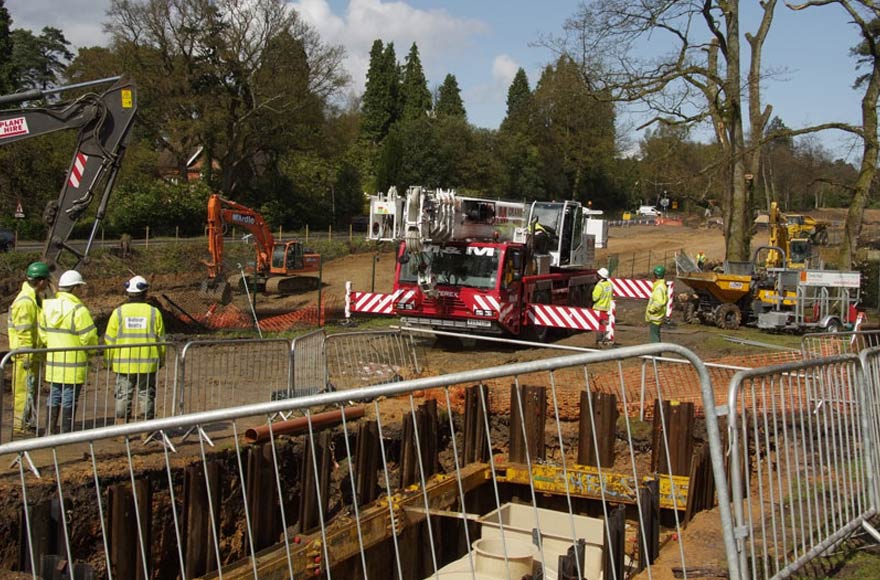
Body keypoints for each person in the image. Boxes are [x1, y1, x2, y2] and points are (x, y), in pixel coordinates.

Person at [38, 270, 98, 434]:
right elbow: (89, 336)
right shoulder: (78, 309)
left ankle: (49, 431)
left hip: (54, 361)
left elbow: (43, 333)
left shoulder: (48, 307)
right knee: (69, 396)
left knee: (55, 393)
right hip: (74, 362)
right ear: (75, 288)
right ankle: (66, 432)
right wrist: (92, 351)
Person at [104, 275, 166, 424]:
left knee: (123, 395)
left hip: (123, 364)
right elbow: (161, 341)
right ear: (145, 293)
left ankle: (121, 430)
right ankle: (146, 432)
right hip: (147, 364)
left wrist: (108, 360)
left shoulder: (118, 313)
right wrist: (161, 360)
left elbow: (109, 339)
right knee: (146, 394)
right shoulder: (154, 313)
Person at [7, 262, 51, 433]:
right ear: (40, 281)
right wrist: (27, 356)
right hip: (25, 356)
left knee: (29, 392)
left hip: (31, 355)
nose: (48, 283)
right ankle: (20, 427)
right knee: (23, 393)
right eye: (47, 280)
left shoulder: (33, 298)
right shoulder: (26, 301)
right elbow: (24, 331)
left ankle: (26, 423)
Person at [645, 265, 669, 343]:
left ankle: (655, 354)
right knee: (656, 335)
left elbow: (659, 302)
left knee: (654, 337)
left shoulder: (659, 287)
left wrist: (652, 310)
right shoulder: (660, 286)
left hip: (655, 316)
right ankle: (657, 353)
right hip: (657, 316)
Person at [592, 268, 613, 344]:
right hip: (606, 307)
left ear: (600, 276)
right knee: (604, 325)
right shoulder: (609, 285)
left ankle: (599, 340)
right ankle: (604, 339)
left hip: (598, 308)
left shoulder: (599, 286)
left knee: (599, 326)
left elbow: (594, 298)